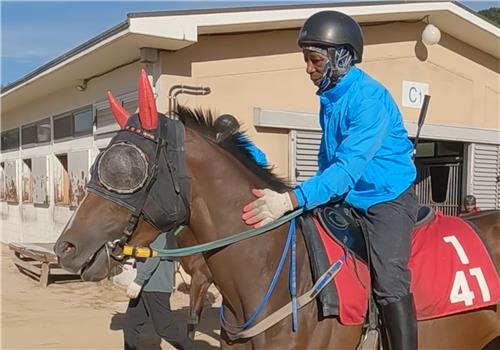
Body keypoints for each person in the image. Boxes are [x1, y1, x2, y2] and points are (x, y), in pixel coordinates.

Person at [241, 11, 419, 350]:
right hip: (351, 194)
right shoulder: (331, 97)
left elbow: (345, 170)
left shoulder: (369, 99)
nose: (308, 68)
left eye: (315, 60)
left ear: (341, 57)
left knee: (390, 280)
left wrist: (289, 200)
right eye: (306, 60)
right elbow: (329, 161)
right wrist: (306, 198)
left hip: (387, 197)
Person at [123, 232, 191, 350]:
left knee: (165, 329)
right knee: (131, 325)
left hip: (156, 287)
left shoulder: (160, 232)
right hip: (144, 287)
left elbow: (155, 256)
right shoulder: (147, 230)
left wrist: (138, 280)